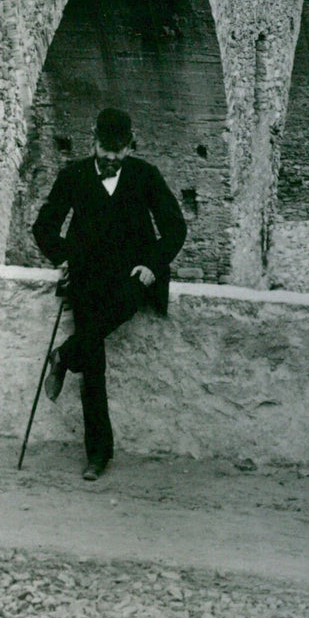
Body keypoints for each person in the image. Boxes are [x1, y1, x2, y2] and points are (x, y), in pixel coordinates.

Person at [32, 108, 186, 480]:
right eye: (106, 149)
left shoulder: (145, 176)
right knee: (93, 365)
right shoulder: (73, 176)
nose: (112, 157)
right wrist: (64, 256)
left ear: (130, 147)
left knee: (118, 309)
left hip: (133, 277)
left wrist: (153, 264)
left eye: (119, 151)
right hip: (87, 278)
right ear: (93, 141)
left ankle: (63, 354)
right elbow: (44, 227)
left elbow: (175, 228)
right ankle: (97, 454)